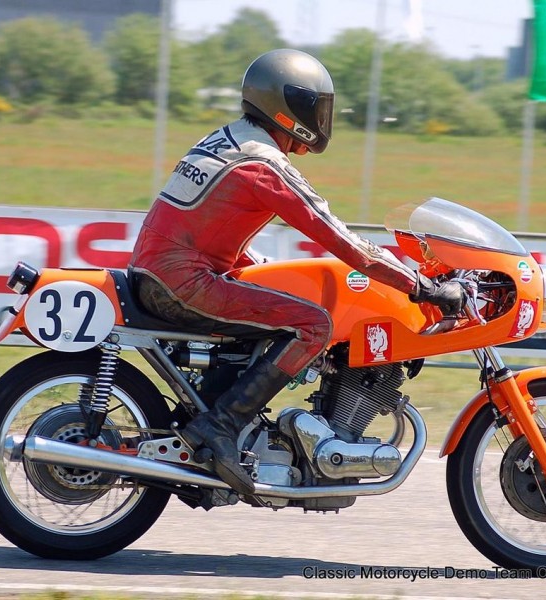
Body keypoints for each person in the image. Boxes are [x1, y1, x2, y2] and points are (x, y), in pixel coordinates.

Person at [128, 48, 464, 495]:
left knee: (288, 308)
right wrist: (419, 285)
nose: (321, 118)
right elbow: (342, 240)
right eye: (316, 107)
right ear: (288, 108)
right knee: (312, 325)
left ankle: (229, 419)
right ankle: (221, 425)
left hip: (162, 274)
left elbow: (210, 230)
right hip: (182, 284)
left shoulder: (228, 139)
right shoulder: (265, 165)